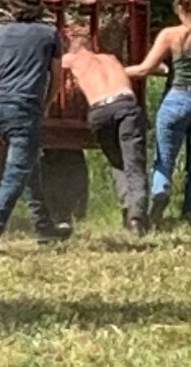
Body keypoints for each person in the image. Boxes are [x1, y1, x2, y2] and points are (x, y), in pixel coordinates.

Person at [0, 0, 74, 255]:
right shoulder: (49, 34)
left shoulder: (0, 34)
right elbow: (55, 78)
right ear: (39, 4)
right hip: (26, 107)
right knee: (16, 174)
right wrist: (46, 105)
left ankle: (45, 228)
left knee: (29, 168)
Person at [126, 0, 191, 226]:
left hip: (177, 98)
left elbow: (145, 69)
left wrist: (118, 71)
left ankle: (161, 191)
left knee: (164, 157)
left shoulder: (171, 34)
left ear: (179, 8)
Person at [62, 33, 149, 236]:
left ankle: (128, 208)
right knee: (134, 164)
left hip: (100, 111)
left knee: (117, 162)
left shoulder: (72, 59)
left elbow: (54, 70)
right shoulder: (111, 59)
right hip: (127, 105)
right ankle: (137, 217)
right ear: (91, 45)